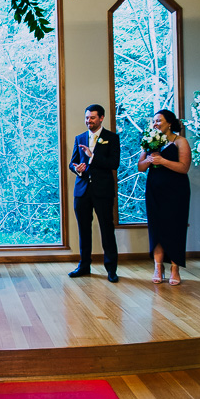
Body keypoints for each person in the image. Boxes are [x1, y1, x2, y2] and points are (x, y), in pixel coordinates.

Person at [138, 110, 191, 286]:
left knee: (175, 227)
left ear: (169, 123)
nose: (155, 124)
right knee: (156, 228)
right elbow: (140, 167)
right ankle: (158, 267)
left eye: (159, 120)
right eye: (154, 121)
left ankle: (175, 268)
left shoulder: (180, 142)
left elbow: (184, 168)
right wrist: (149, 161)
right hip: (154, 189)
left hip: (176, 190)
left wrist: (163, 161)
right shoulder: (149, 141)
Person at [68, 104, 120, 283]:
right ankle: (84, 265)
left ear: (101, 118)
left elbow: (114, 163)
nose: (88, 121)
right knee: (84, 229)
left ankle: (111, 269)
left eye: (92, 118)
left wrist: (92, 156)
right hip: (82, 190)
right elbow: (72, 162)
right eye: (87, 118)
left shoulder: (111, 138)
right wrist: (77, 168)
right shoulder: (79, 138)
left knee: (107, 229)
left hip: (103, 191)